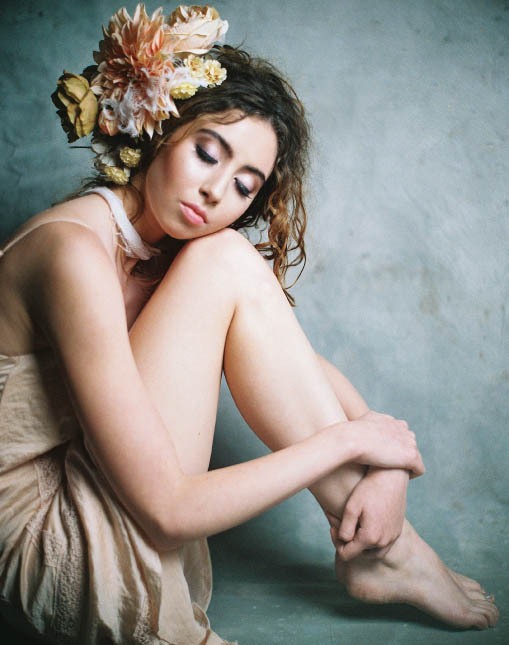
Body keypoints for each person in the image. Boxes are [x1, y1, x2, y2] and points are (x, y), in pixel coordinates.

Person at [0, 4, 499, 643]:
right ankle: (387, 553)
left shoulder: (167, 250)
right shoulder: (72, 251)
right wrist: (349, 444)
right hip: (50, 542)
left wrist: (385, 463)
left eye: (244, 185)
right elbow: (170, 511)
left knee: (223, 259)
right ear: (160, 128)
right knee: (225, 259)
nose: (215, 192)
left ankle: (390, 549)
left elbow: (294, 366)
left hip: (96, 489)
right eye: (208, 152)